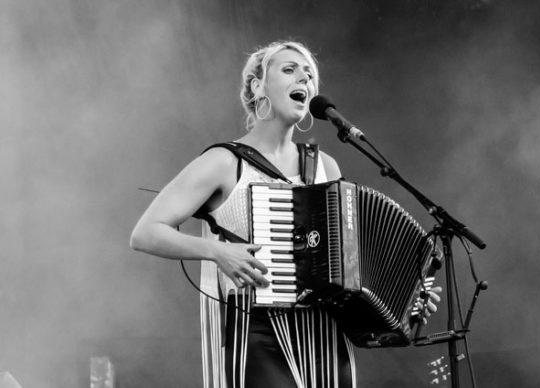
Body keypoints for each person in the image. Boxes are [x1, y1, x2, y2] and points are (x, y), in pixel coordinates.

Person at [130, 41, 440, 388]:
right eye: (290, 69)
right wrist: (217, 251)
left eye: (310, 75)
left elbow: (350, 272)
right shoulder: (224, 162)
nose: (304, 79)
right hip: (256, 333)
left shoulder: (326, 167)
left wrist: (407, 301)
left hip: (324, 335)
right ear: (257, 85)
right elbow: (146, 233)